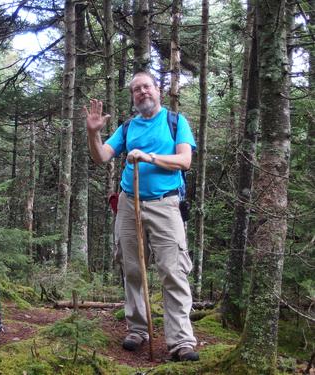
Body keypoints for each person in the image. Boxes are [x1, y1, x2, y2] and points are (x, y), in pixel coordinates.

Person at [84, 71, 199, 362]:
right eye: (136, 90)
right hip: (128, 202)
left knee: (173, 272)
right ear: (133, 97)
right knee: (132, 267)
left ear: (157, 90)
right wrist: (93, 132)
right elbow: (101, 156)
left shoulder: (175, 122)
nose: (142, 92)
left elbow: (184, 160)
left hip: (166, 204)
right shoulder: (127, 127)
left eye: (146, 86)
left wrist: (148, 158)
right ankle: (138, 328)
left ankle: (181, 341)